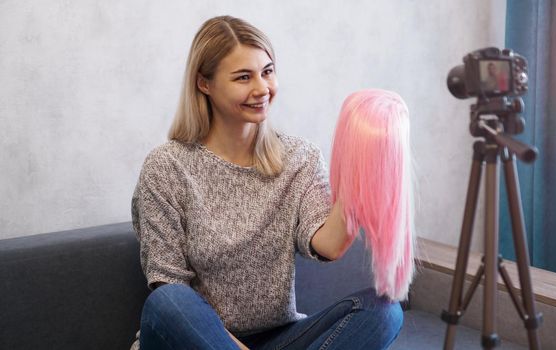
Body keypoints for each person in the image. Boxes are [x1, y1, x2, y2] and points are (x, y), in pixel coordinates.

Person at [130, 15, 403, 350]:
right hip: (192, 339)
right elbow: (167, 285)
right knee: (169, 302)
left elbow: (329, 245)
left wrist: (361, 165)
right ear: (204, 84)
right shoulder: (166, 167)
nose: (262, 89)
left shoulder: (299, 157)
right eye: (244, 77)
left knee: (384, 312)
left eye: (268, 71)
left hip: (279, 338)